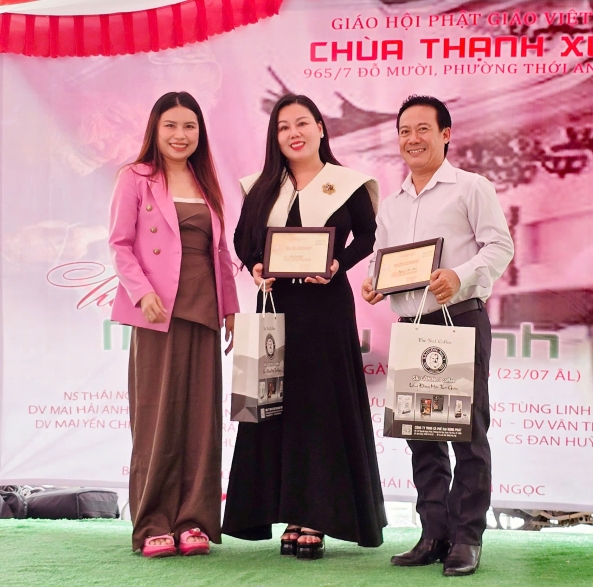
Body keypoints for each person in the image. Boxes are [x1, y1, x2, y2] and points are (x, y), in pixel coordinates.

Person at [223, 94, 386, 558]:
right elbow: (242, 239)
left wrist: (338, 265)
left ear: (320, 127)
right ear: (274, 137)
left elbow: (368, 235)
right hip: (276, 305)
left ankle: (315, 515)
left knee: (320, 407)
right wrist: (256, 266)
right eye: (283, 127)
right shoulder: (260, 186)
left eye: (301, 123)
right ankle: (286, 512)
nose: (293, 133)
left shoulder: (348, 183)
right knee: (273, 406)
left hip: (326, 307)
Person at [361, 95, 514, 577]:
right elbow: (382, 258)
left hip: (460, 320)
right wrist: (373, 281)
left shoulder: (471, 187)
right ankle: (433, 533)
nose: (413, 139)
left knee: (467, 433)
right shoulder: (392, 204)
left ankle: (467, 537)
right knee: (422, 436)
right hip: (412, 327)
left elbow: (500, 246)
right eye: (404, 131)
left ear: (446, 134)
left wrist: (459, 275)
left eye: (423, 129)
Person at [108, 91, 239, 557]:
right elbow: (120, 244)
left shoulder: (207, 182)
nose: (180, 135)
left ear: (200, 132)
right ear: (155, 130)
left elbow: (219, 252)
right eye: (171, 126)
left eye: (189, 126)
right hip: (156, 313)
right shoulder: (135, 177)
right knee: (157, 419)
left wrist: (230, 308)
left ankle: (194, 521)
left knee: (201, 423)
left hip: (204, 312)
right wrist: (142, 292)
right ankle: (153, 522)